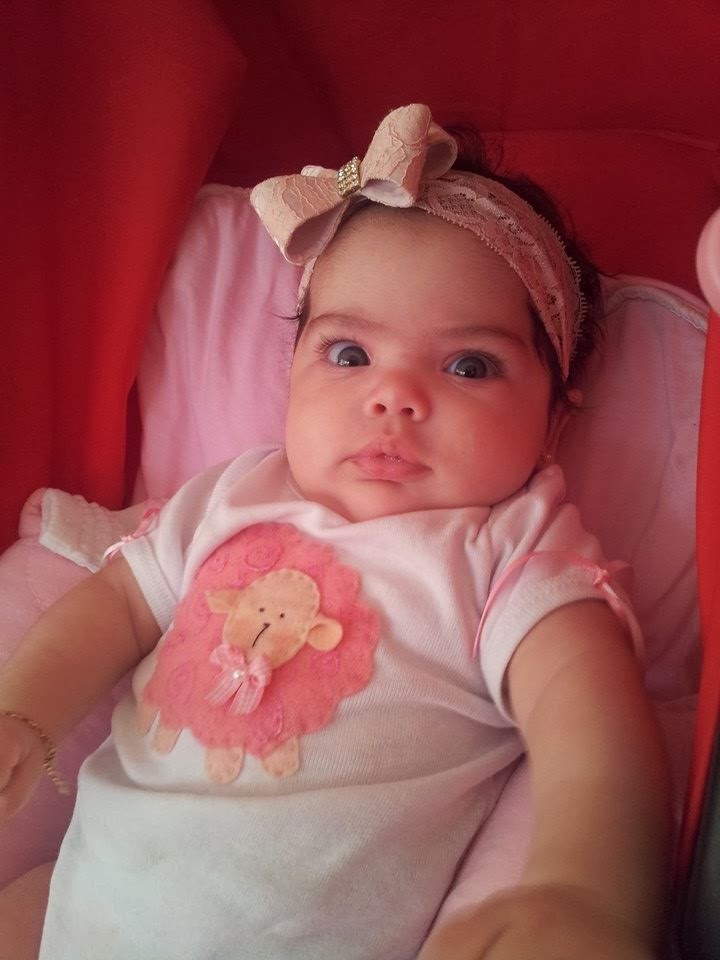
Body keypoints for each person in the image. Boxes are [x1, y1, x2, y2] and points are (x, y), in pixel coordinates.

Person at [0, 104, 670, 960]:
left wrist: (584, 888)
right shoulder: (229, 496)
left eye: (468, 365)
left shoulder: (507, 552)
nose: (393, 396)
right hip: (78, 905)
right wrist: (24, 709)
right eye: (350, 354)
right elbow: (116, 607)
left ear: (553, 424)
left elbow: (588, 710)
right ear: (293, 372)